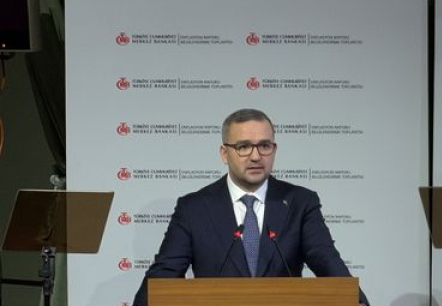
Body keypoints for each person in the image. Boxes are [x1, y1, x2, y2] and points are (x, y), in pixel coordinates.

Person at [133, 108, 368, 305]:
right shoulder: (194, 208)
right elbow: (161, 281)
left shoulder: (300, 202)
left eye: (264, 145)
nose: (255, 156)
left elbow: (329, 263)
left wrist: (358, 302)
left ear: (274, 150)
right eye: (243, 146)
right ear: (224, 153)